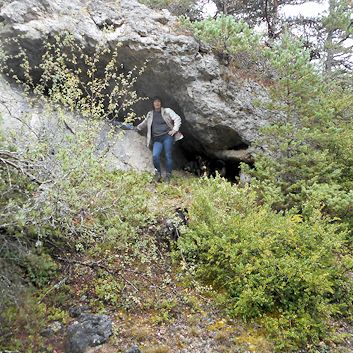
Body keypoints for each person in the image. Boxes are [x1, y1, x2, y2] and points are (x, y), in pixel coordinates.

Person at [136, 96, 183, 182]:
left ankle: (168, 175)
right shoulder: (150, 114)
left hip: (167, 137)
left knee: (168, 155)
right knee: (155, 156)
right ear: (153, 104)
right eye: (155, 102)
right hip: (157, 139)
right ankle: (158, 174)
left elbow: (177, 118)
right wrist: (137, 128)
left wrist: (174, 130)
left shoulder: (167, 111)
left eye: (158, 101)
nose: (157, 103)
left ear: (161, 103)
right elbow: (144, 123)